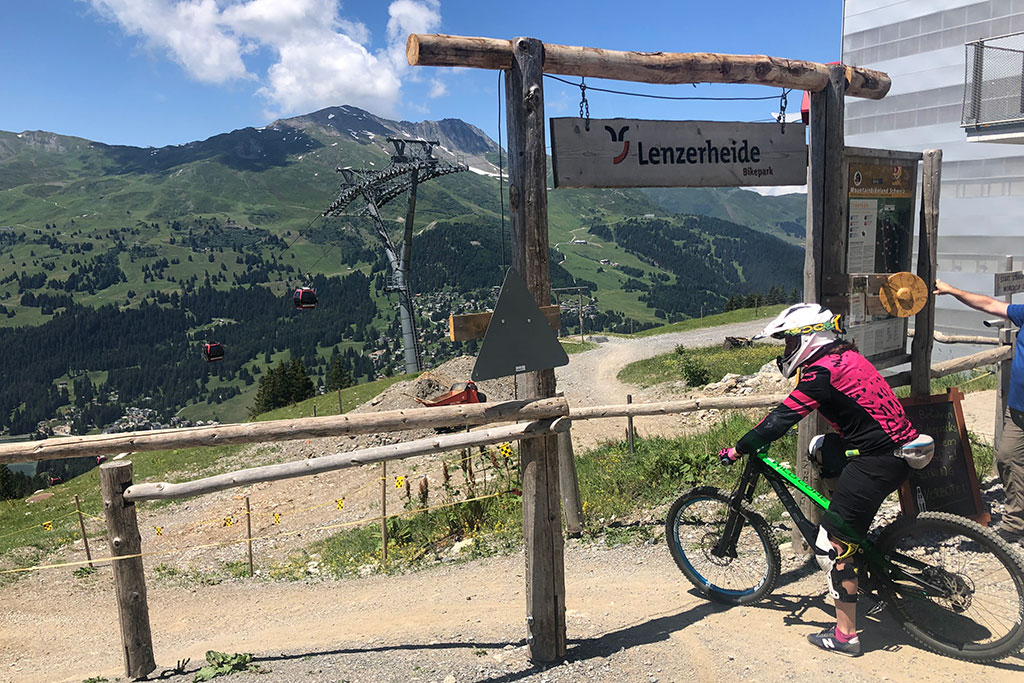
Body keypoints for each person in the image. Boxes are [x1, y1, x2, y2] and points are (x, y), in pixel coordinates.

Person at [718, 303, 922, 657]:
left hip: (878, 461)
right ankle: (850, 528)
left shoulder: (819, 375)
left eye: (787, 343)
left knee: (831, 547)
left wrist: (739, 448)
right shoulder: (846, 356)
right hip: (900, 447)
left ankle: (846, 636)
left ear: (806, 338)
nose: (786, 351)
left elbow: (779, 420)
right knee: (820, 446)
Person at [934, 278, 1024, 542]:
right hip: (1018, 411)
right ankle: (1016, 521)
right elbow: (988, 304)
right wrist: (952, 291)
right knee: (1007, 457)